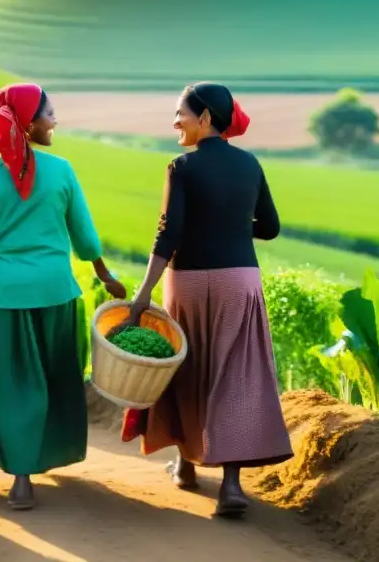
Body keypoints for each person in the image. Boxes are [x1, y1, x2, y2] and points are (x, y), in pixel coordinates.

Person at [0, 82, 125, 511]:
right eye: (48, 113)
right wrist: (105, 274)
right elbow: (84, 233)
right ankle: (37, 459)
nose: (54, 121)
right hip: (56, 294)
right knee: (51, 377)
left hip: (0, 299)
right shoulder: (61, 171)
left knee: (11, 386)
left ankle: (20, 475)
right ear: (27, 123)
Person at [121, 82, 292, 518]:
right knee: (234, 373)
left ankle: (184, 463)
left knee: (188, 369)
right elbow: (269, 227)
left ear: (205, 118)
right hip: (240, 280)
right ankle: (231, 485)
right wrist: (231, 225)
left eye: (180, 112)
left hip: (190, 281)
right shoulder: (250, 164)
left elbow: (168, 233)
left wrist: (141, 297)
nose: (175, 121)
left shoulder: (181, 167)